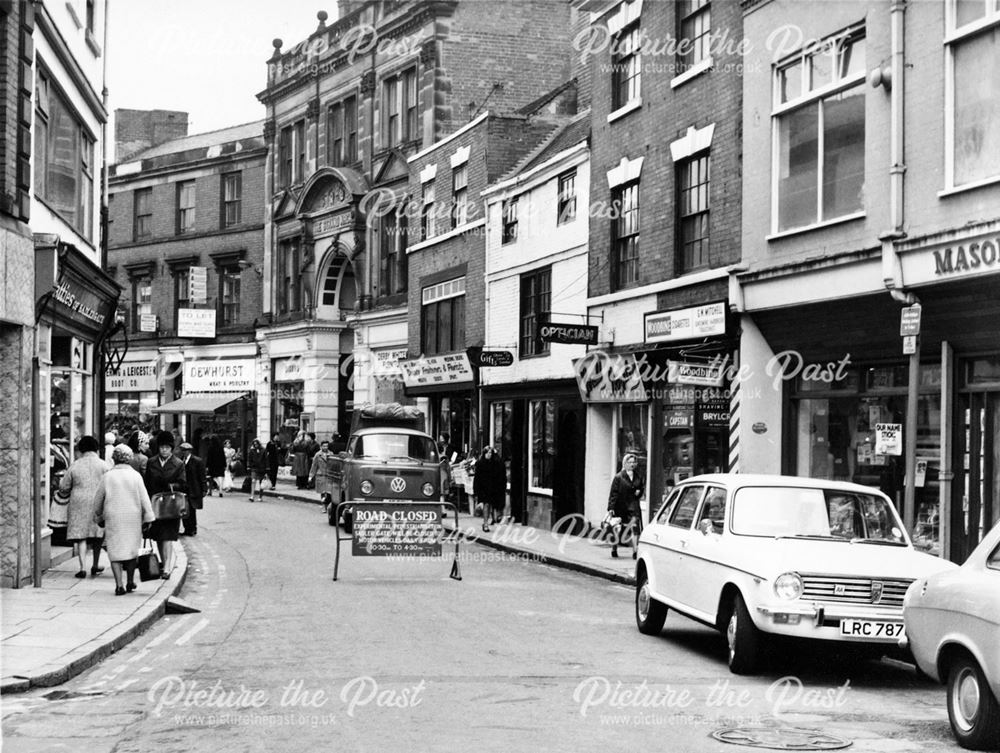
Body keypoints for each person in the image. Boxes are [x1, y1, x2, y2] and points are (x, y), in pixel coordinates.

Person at [93, 444, 155, 595]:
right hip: (132, 518)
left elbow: (98, 500)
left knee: (115, 550)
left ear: (114, 458)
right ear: (129, 458)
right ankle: (130, 581)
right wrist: (149, 518)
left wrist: (98, 515)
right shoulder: (136, 476)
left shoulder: (107, 476)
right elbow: (144, 499)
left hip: (113, 517)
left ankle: (119, 585)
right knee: (131, 551)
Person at [59, 435, 107, 578]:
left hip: (78, 502)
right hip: (98, 501)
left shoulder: (75, 465)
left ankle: (82, 567)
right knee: (98, 535)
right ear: (96, 449)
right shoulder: (104, 465)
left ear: (81, 450)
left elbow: (64, 487)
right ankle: (95, 564)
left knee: (81, 536)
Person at [144, 430, 188, 578]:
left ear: (171, 448)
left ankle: (167, 568)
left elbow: (183, 484)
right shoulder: (151, 462)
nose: (164, 450)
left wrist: (170, 485)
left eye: (167, 447)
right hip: (155, 504)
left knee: (168, 536)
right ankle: (164, 563)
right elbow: (146, 484)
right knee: (158, 537)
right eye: (162, 447)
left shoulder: (178, 464)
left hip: (171, 505)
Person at [608, 453, 644, 559]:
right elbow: (613, 494)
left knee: (635, 528)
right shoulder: (619, 477)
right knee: (617, 529)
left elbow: (641, 488)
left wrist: (639, 492)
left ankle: (635, 551)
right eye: (630, 462)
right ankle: (614, 548)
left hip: (633, 505)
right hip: (621, 506)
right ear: (625, 463)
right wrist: (611, 508)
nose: (632, 464)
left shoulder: (638, 476)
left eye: (634, 462)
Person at [177, 442, 207, 536]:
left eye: (185, 451)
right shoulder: (180, 461)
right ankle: (187, 529)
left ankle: (193, 529)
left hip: (194, 488)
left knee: (192, 509)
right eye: (183, 450)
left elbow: (202, 476)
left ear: (189, 451)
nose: (184, 452)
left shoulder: (197, 461)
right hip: (183, 489)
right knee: (184, 509)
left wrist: (204, 489)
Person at [473, 445, 506, 532]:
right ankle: (485, 523)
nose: (489, 454)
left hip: (492, 488)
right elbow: (477, 478)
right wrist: (476, 491)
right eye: (487, 453)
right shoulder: (480, 464)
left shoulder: (495, 464)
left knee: (491, 504)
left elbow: (499, 475)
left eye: (490, 453)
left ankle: (492, 519)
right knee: (486, 505)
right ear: (484, 454)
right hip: (483, 488)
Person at [308, 439, 337, 513]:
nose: (325, 447)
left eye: (327, 446)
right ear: (321, 447)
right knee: (323, 492)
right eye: (324, 446)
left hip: (329, 475)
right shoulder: (318, 455)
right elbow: (314, 466)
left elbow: (333, 465)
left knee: (329, 492)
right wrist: (311, 476)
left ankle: (328, 506)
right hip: (321, 475)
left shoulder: (331, 454)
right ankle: (324, 506)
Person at [246, 438, 267, 502]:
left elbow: (266, 459)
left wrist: (267, 468)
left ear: (259, 444)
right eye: (254, 444)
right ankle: (252, 496)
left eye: (256, 444)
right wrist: (249, 466)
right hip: (254, 467)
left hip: (262, 468)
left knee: (261, 482)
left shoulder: (263, 450)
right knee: (253, 480)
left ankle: (260, 496)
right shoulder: (252, 451)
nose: (255, 445)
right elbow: (249, 459)